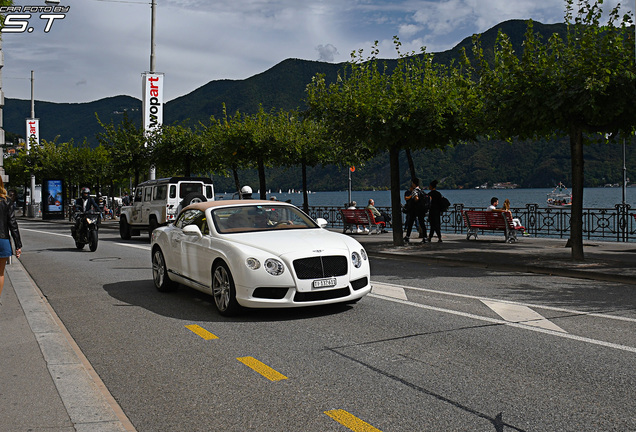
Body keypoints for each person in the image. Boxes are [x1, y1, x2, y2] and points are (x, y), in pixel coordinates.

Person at [0, 177, 22, 306]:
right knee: (0, 273)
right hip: (2, 240)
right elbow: (12, 224)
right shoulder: (7, 201)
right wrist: (18, 245)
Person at [403, 178, 428, 244]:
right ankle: (425, 237)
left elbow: (416, 198)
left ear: (413, 184)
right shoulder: (421, 191)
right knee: (422, 224)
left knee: (410, 223)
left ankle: (407, 236)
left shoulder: (415, 191)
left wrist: (414, 199)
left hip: (414, 210)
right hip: (421, 210)